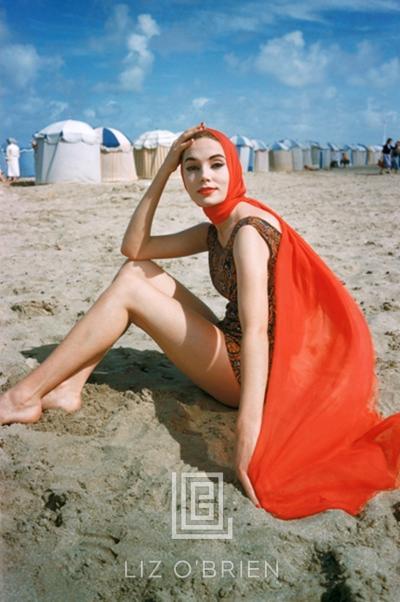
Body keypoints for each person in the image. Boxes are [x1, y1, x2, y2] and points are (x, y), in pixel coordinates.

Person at [1, 124, 400, 519]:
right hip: (233, 344)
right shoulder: (217, 228)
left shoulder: (247, 231)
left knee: (130, 292)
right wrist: (161, 173)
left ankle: (21, 398)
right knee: (134, 273)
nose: (204, 177)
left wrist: (248, 430)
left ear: (235, 170)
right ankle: (70, 387)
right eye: (191, 168)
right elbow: (135, 248)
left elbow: (258, 331)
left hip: (249, 372)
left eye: (216, 164)